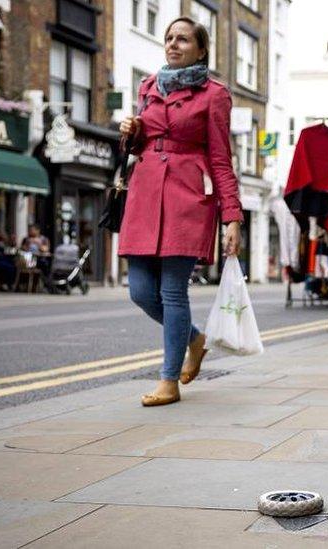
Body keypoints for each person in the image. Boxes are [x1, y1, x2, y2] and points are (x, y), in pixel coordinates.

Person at [118, 17, 243, 407]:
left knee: (172, 291)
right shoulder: (148, 86)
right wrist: (133, 132)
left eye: (183, 39)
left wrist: (232, 217)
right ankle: (195, 339)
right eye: (169, 38)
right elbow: (141, 147)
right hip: (144, 192)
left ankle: (168, 381)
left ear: (200, 49)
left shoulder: (214, 94)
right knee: (140, 291)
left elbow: (222, 159)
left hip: (188, 195)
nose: (173, 44)